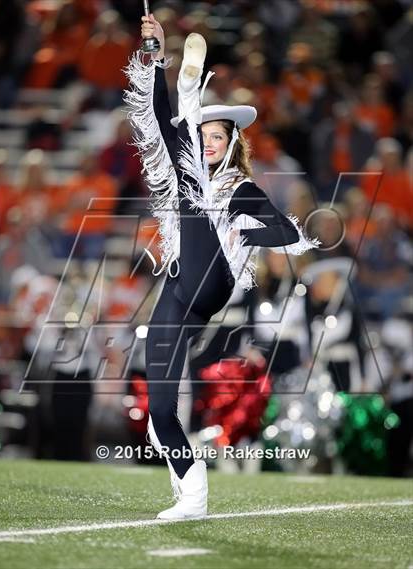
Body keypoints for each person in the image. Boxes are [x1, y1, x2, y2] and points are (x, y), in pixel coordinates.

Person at [124, 14, 321, 520]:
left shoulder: (240, 188)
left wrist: (242, 229)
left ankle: (189, 87)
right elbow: (152, 111)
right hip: (177, 291)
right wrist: (152, 52)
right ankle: (192, 496)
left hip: (213, 281)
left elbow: (291, 234)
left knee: (187, 176)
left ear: (232, 143)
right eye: (204, 135)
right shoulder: (190, 175)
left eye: (217, 137)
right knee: (159, 416)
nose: (210, 144)